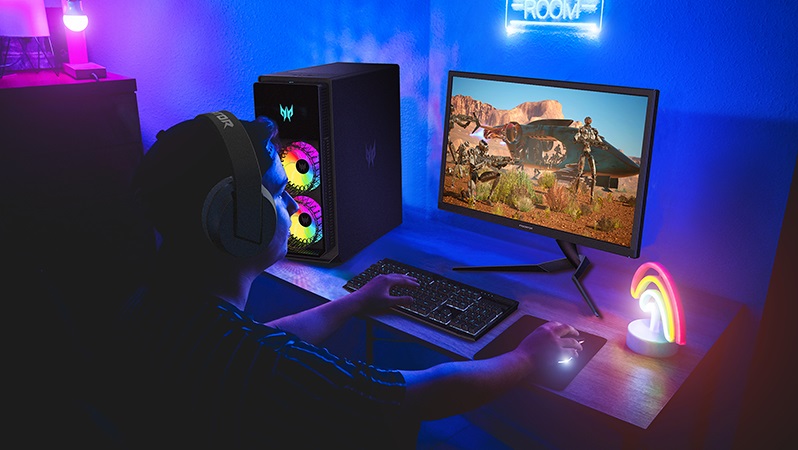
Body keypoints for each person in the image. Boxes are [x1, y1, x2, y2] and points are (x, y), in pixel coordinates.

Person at [104, 111, 583, 448]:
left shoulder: (152, 306)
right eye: (277, 192)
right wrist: (525, 359)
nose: (294, 204)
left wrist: (351, 303)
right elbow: (417, 394)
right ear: (238, 220)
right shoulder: (268, 367)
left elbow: (259, 340)